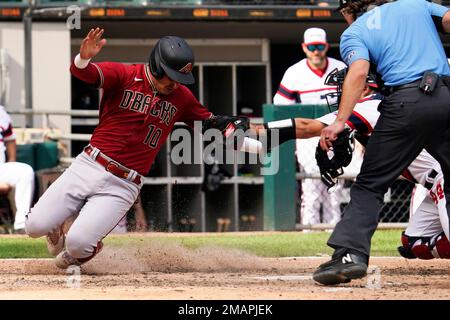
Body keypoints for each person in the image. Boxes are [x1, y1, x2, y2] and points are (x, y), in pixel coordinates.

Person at [25, 28, 247, 269]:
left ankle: (84, 249)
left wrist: (231, 125)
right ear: (156, 65)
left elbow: (208, 123)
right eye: (171, 76)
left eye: (179, 79)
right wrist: (84, 58)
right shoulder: (125, 74)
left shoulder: (181, 97)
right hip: (89, 165)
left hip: (123, 184)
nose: (175, 84)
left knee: (77, 246)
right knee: (34, 226)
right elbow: (83, 73)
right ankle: (56, 225)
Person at [313, 0, 450, 285]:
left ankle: (350, 255)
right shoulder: (416, 5)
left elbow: (360, 71)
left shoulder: (356, 31)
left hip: (406, 102)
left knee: (370, 184)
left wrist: (340, 120)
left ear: (349, 10)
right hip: (447, 96)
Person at [251, 68, 450, 262]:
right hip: (433, 184)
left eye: (345, 86)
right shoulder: (385, 106)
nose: (340, 93)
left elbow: (308, 127)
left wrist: (254, 128)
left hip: (443, 178)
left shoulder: (371, 106)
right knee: (415, 242)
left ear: (364, 88)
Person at [273, 27, 347, 227]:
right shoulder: (294, 72)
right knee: (312, 186)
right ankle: (310, 232)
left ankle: (333, 231)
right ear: (304, 48)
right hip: (308, 136)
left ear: (326, 47)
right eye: (312, 47)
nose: (316, 51)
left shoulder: (340, 68)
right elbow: (280, 106)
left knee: (335, 187)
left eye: (320, 46)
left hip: (336, 133)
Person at [0, 105, 35, 233]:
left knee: (25, 171)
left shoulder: (1, 112)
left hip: (1, 168)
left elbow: (10, 140)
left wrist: (11, 162)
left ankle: (21, 225)